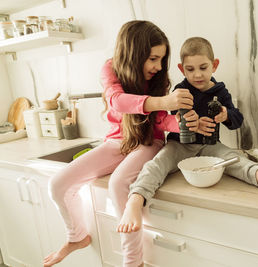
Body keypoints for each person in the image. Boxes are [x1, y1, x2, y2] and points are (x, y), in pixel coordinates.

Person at [43, 21, 202, 267]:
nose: (158, 66)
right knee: (58, 184)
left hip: (149, 141)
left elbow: (160, 120)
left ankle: (132, 262)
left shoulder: (157, 78)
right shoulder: (111, 68)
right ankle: (76, 236)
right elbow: (117, 102)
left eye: (161, 59)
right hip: (118, 140)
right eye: (152, 59)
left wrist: (181, 122)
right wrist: (164, 102)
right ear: (134, 52)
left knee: (119, 184)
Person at [117, 37, 258, 234]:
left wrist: (226, 114)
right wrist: (185, 119)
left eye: (203, 67)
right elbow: (173, 119)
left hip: (211, 146)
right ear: (182, 69)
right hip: (179, 145)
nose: (197, 74)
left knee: (235, 159)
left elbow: (238, 119)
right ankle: (136, 199)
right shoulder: (180, 90)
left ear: (214, 65)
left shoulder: (220, 91)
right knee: (157, 164)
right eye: (190, 69)